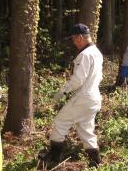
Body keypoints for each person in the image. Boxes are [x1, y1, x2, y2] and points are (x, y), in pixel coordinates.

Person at [39, 23, 103, 167]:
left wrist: (62, 92)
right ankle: (95, 161)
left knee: (60, 123)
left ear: (80, 37)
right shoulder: (96, 52)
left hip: (83, 97)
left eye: (74, 39)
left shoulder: (85, 55)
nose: (73, 42)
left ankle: (53, 159)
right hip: (94, 97)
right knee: (86, 129)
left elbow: (78, 80)